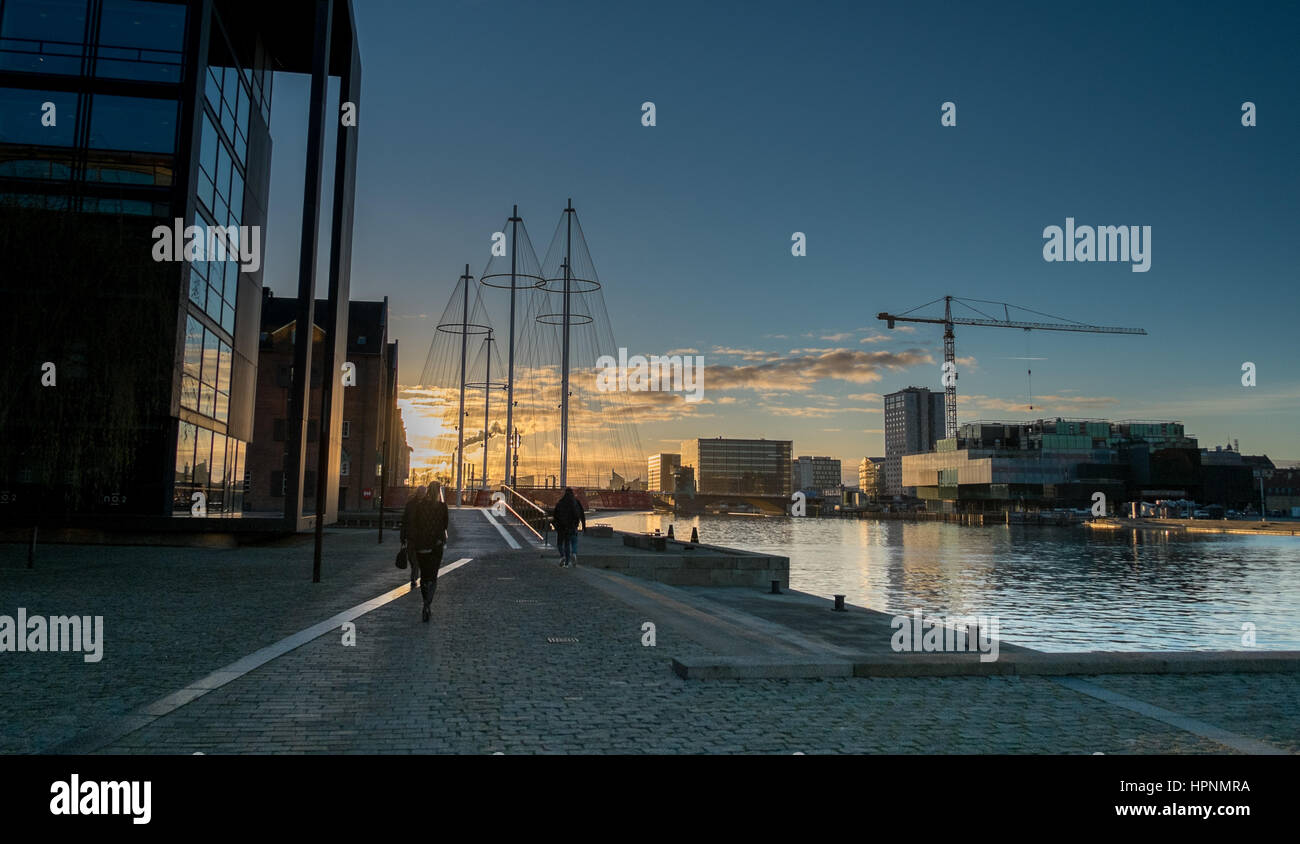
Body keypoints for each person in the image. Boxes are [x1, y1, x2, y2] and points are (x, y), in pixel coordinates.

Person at [407, 482, 450, 622]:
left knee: (424, 577)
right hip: (436, 546)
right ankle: (427, 605)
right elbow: (445, 525)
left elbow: (414, 524)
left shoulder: (419, 506)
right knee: (433, 576)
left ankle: (425, 600)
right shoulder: (442, 507)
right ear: (438, 492)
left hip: (421, 546)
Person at [552, 487, 586, 568]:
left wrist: (555, 525)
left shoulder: (560, 502)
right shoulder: (576, 502)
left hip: (561, 527)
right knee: (571, 542)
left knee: (560, 544)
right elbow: (581, 514)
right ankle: (570, 558)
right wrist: (584, 526)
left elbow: (555, 515)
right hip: (572, 526)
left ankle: (562, 556)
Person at [400, 485, 426, 589]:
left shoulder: (426, 505)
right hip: (412, 536)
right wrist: (403, 536)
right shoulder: (411, 505)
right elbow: (405, 521)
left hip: (421, 537)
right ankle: (414, 574)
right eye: (421, 492)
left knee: (417, 559)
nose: (422, 494)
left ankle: (414, 577)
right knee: (412, 558)